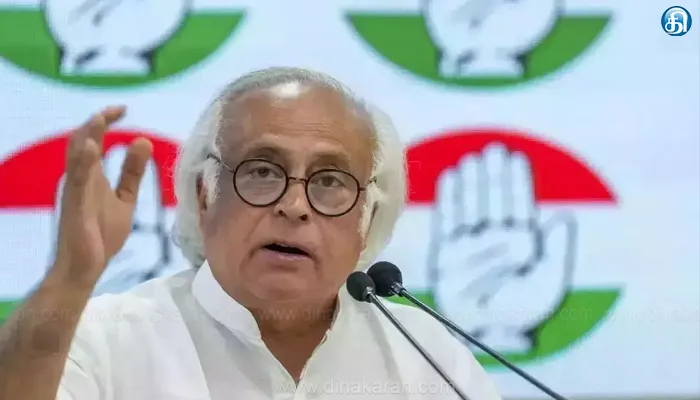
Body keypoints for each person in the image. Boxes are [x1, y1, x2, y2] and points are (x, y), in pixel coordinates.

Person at [0, 68, 502, 399]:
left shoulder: (424, 355)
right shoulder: (105, 339)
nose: (294, 206)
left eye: (330, 181)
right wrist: (69, 278)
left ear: (366, 219)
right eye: (262, 172)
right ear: (204, 196)